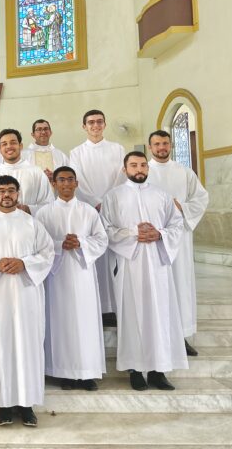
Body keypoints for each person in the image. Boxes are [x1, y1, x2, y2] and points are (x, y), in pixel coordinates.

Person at [100, 151, 187, 391]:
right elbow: (106, 229)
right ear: (124, 169)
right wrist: (133, 234)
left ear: (147, 169)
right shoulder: (113, 197)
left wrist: (159, 234)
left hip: (158, 263)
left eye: (142, 165)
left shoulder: (162, 195)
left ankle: (159, 371)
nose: (139, 169)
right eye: (133, 165)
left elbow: (176, 225)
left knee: (159, 315)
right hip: (130, 264)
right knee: (132, 316)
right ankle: (135, 370)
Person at [0, 175, 54, 426]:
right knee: (0, 344)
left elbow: (47, 252)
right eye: (1, 191)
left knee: (27, 344)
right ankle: (3, 403)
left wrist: (24, 263)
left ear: (18, 193)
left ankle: (26, 403)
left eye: (11, 190)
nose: (6, 195)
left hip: (26, 291)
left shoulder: (32, 223)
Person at [36, 166, 109, 391]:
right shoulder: (44, 213)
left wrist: (81, 243)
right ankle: (63, 372)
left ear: (76, 183)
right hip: (56, 277)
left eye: (70, 180)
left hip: (82, 273)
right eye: (61, 180)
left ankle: (87, 373)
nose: (66, 184)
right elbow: (39, 245)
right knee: (60, 322)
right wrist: (59, 245)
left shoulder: (88, 211)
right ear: (54, 184)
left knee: (85, 322)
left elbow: (101, 239)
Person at [147, 130, 209, 356]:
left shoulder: (184, 172)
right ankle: (159, 336)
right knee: (157, 284)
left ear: (170, 145)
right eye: (157, 144)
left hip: (179, 238)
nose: (161, 147)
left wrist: (182, 206)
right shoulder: (144, 171)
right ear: (150, 146)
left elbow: (201, 198)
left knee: (180, 282)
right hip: (153, 239)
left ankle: (181, 336)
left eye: (165, 143)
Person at [69, 109, 125, 326]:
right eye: (90, 122)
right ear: (84, 126)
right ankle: (99, 306)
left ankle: (115, 306)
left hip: (114, 209)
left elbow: (122, 175)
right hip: (89, 210)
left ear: (105, 124)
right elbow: (77, 179)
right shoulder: (76, 153)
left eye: (99, 122)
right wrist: (95, 202)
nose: (95, 125)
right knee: (95, 256)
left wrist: (108, 201)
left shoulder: (117, 149)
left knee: (114, 256)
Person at [0, 129, 54, 218]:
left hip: (29, 226)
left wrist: (27, 209)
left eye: (13, 142)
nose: (9, 146)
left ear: (20, 146)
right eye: (4, 144)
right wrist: (3, 209)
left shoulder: (37, 173)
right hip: (0, 227)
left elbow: (49, 205)